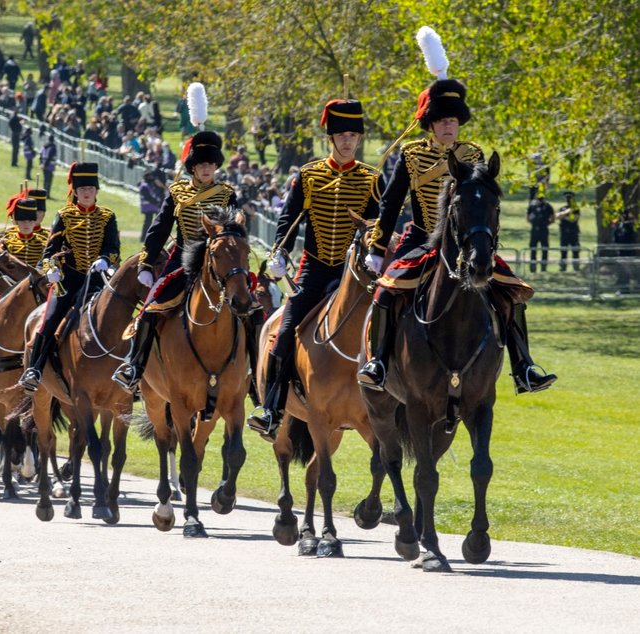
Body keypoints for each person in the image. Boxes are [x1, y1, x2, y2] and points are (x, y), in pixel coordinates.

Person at [357, 78, 556, 395]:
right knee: (385, 292)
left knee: (511, 291)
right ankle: (379, 363)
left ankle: (524, 366)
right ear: (431, 124)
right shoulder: (410, 156)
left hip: (465, 244)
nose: (449, 126)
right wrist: (379, 248)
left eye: (452, 120)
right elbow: (390, 204)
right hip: (421, 239)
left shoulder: (473, 153)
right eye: (442, 120)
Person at [246, 99, 382, 437]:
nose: (348, 141)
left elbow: (378, 225)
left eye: (353, 135)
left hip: (355, 273)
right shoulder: (308, 176)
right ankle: (273, 408)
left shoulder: (371, 180)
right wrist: (279, 252)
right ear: (330, 138)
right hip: (315, 268)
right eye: (341, 135)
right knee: (283, 334)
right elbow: (288, 221)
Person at [111, 131, 236, 391]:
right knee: (150, 309)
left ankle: (250, 373)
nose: (206, 169)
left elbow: (234, 232)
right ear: (192, 167)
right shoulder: (177, 192)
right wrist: (146, 262)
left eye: (211, 164)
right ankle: (134, 365)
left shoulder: (226, 194)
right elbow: (159, 228)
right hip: (181, 258)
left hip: (217, 261)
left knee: (251, 308)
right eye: (202, 164)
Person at [18, 163, 120, 392]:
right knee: (49, 321)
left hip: (96, 280)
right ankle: (34, 369)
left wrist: (104, 259)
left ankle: (127, 369)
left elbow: (114, 248)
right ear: (74, 191)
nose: (86, 192)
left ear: (96, 191)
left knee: (120, 315)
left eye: (91, 188)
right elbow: (48, 252)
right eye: (82, 188)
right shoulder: (64, 215)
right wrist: (51, 269)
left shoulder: (107, 217)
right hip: (68, 281)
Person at [0, 197, 46, 267]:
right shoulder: (6, 242)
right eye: (23, 221)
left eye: (30, 221)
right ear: (17, 222)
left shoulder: (43, 243)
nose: (26, 224)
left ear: (35, 222)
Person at [527, 187, 555, 273]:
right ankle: (533, 268)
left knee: (544, 249)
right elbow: (528, 218)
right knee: (533, 249)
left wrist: (546, 224)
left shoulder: (548, 206)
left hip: (544, 230)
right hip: (534, 230)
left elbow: (553, 218)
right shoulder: (532, 206)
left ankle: (543, 268)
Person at [138, 168, 166, 240]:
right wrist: (156, 201)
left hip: (151, 207)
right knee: (148, 223)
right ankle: (144, 237)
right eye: (150, 176)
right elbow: (148, 197)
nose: (151, 178)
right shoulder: (144, 185)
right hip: (148, 207)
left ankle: (146, 237)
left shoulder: (147, 184)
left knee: (150, 222)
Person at [556, 191, 580, 272]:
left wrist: (564, 216)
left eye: (570, 198)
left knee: (575, 251)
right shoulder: (563, 208)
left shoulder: (576, 208)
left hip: (573, 232)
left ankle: (576, 268)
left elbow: (574, 219)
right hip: (564, 232)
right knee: (563, 251)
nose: (568, 200)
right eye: (567, 198)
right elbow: (557, 216)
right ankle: (563, 267)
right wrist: (566, 212)